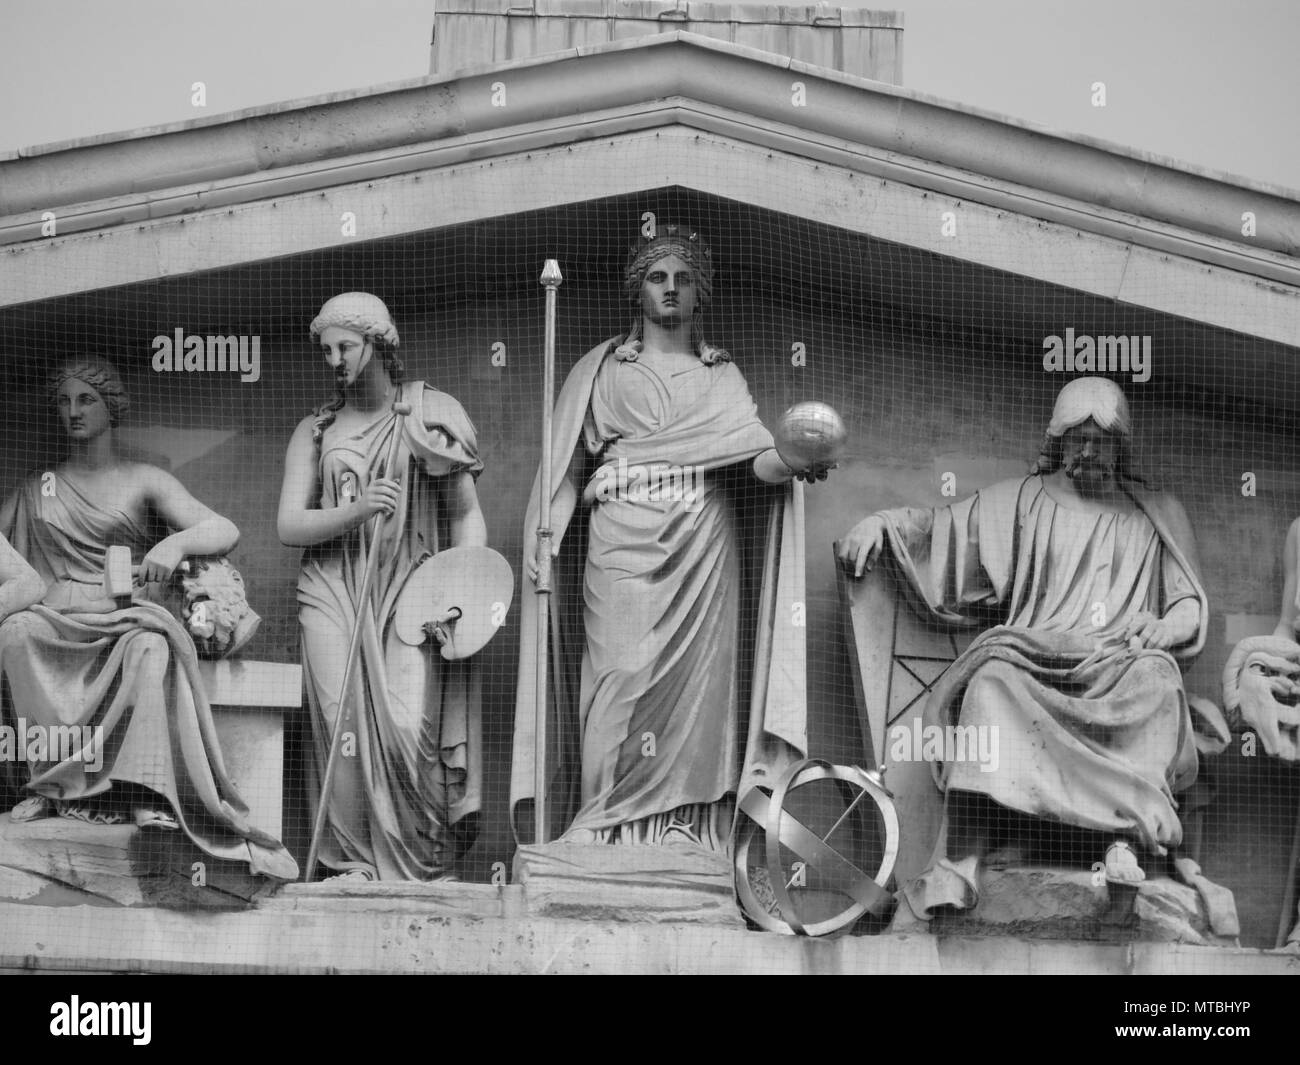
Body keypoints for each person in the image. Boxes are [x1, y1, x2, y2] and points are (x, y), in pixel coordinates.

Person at [838, 377, 1225, 916]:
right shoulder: (1025, 499)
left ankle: (1123, 846)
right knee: (991, 686)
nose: (1089, 450)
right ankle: (962, 861)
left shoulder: (1155, 514)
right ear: (1057, 443)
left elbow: (1189, 603)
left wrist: (1166, 628)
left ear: (1121, 446)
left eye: (1102, 439)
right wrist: (883, 524)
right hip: (1033, 656)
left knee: (1159, 683)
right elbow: (942, 530)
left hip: (1118, 660)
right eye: (1077, 438)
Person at [511, 227, 826, 850]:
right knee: (618, 675)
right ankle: (600, 820)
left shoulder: (721, 376)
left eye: (684, 279)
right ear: (639, 290)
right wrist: (545, 536)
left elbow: (752, 460)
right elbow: (568, 469)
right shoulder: (601, 371)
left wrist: (792, 459)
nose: (672, 289)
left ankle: (685, 827)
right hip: (619, 535)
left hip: (703, 541)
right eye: (659, 278)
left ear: (700, 292)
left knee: (697, 694)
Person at [0, 359, 296, 880]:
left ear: (111, 408)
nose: (73, 412)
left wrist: (176, 542)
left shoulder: (143, 479)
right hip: (54, 614)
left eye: (86, 400)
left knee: (150, 646)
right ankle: (49, 786)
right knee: (17, 633)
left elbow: (223, 528)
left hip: (122, 610)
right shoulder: (38, 486)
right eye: (64, 402)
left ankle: (139, 790)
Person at [278, 292, 487, 881]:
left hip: (410, 588)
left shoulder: (428, 414)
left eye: (345, 346)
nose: (335, 359)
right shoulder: (314, 432)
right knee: (338, 718)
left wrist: (460, 594)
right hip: (331, 588)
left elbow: (466, 516)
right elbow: (289, 525)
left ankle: (416, 867)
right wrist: (358, 509)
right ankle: (348, 865)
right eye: (326, 350)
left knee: (402, 722)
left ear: (378, 345)